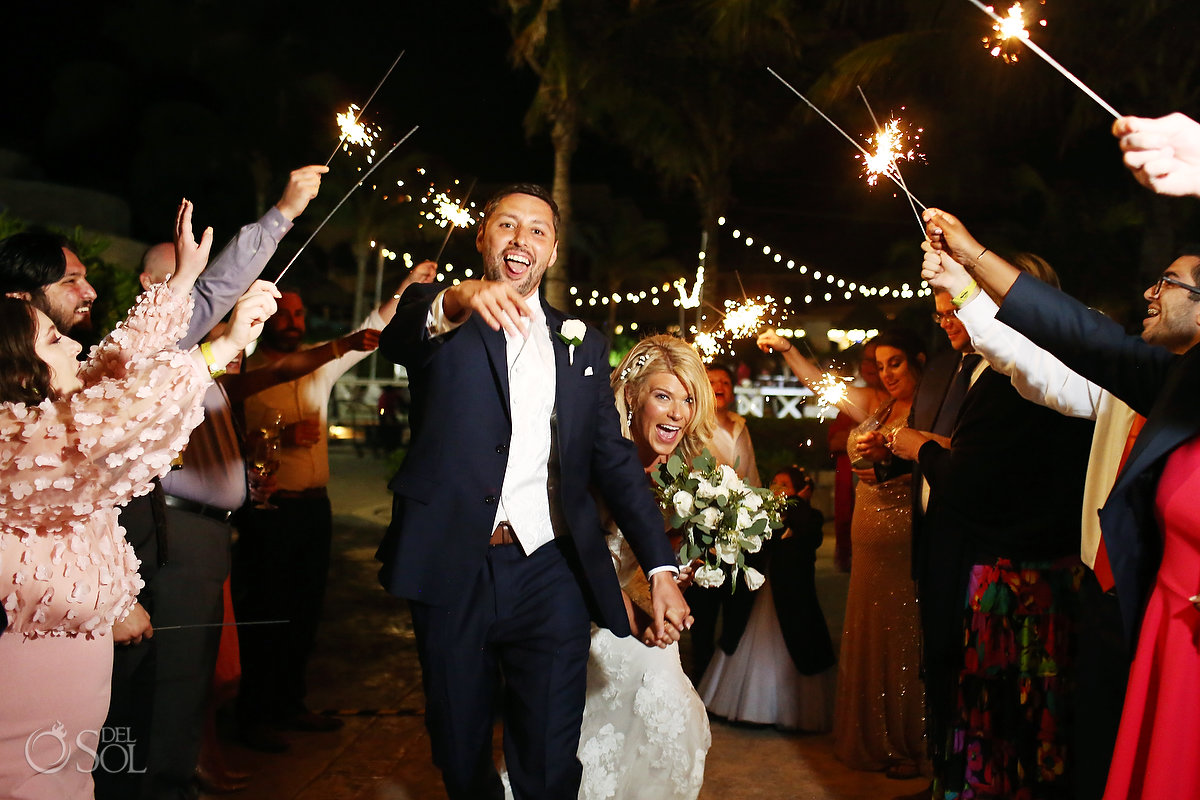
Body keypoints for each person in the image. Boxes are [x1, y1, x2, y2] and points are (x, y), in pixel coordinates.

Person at [374, 183, 691, 800]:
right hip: (452, 562)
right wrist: (459, 297)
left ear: (551, 251)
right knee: (459, 747)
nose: (522, 239)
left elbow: (614, 461)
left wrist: (659, 565)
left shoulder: (583, 345)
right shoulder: (440, 315)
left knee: (549, 756)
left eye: (538, 230)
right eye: (507, 226)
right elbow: (400, 335)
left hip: (551, 566)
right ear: (483, 237)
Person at [0, 200, 278, 800]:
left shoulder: (46, 414)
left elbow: (114, 373)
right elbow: (110, 420)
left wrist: (180, 283)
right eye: (54, 339)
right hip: (26, 693)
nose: (77, 348)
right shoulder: (20, 439)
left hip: (72, 686)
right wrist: (218, 349)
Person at [921, 205, 1200, 800]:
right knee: (1106, 758)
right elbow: (1055, 355)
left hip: (1173, 616)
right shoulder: (1149, 377)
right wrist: (968, 277)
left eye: (1169, 282)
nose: (1149, 292)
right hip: (1112, 599)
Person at [231, 260, 436, 753]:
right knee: (265, 613)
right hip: (268, 513)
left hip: (313, 511)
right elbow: (227, 444)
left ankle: (290, 704)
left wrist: (406, 289)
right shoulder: (245, 372)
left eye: (299, 314)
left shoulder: (318, 365)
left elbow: (368, 329)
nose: (294, 321)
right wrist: (279, 435)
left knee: (304, 612)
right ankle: (253, 712)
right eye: (286, 312)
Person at [759, 327, 927, 776]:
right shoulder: (876, 404)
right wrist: (788, 349)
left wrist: (894, 465)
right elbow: (820, 384)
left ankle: (910, 741)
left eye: (897, 362)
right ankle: (872, 736)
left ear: (918, 360)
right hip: (868, 536)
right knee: (868, 631)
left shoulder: (932, 408)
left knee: (903, 633)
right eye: (880, 363)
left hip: (907, 536)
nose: (887, 373)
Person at [574, 335, 713, 800]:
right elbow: (584, 560)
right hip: (587, 627)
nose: (678, 412)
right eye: (663, 396)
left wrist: (677, 571)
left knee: (668, 722)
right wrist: (635, 618)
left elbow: (641, 559)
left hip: (638, 624)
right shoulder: (598, 463)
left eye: (688, 399)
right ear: (632, 398)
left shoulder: (673, 469)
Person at [698, 466, 836, 731]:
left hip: (794, 600)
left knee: (797, 648)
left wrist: (796, 504)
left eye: (785, 484)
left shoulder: (809, 517)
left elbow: (807, 533)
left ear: (799, 490)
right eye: (774, 482)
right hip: (757, 597)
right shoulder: (755, 515)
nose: (777, 487)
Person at [685, 363, 759, 678]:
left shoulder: (742, 425)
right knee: (703, 610)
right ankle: (701, 678)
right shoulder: (693, 426)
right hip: (702, 529)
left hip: (739, 531)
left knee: (737, 607)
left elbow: (752, 476)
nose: (719, 386)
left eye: (725, 381)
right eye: (712, 381)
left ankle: (725, 682)